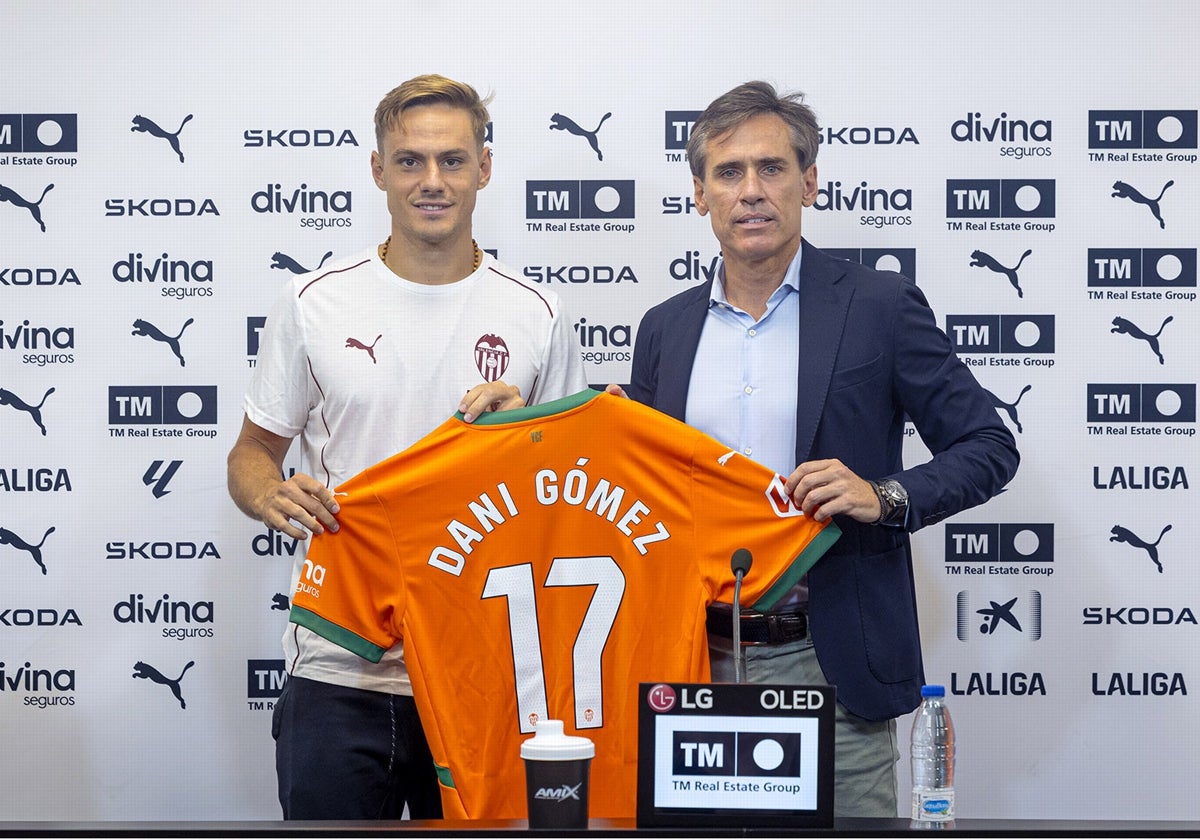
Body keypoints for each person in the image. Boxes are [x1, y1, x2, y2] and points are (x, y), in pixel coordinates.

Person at [616, 80, 1019, 816]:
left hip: (830, 661)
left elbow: (989, 445)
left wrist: (885, 494)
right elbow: (633, 489)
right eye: (729, 173)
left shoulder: (880, 305)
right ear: (699, 194)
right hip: (687, 661)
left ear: (809, 183)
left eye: (772, 169)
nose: (751, 192)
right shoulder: (664, 329)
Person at [226, 74, 588, 820]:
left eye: (453, 161)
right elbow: (251, 451)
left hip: (486, 671)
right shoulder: (312, 301)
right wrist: (267, 490)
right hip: (339, 669)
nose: (432, 181)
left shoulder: (539, 312)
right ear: (378, 170)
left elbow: (569, 492)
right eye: (411, 161)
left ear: (484, 168)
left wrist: (532, 434)